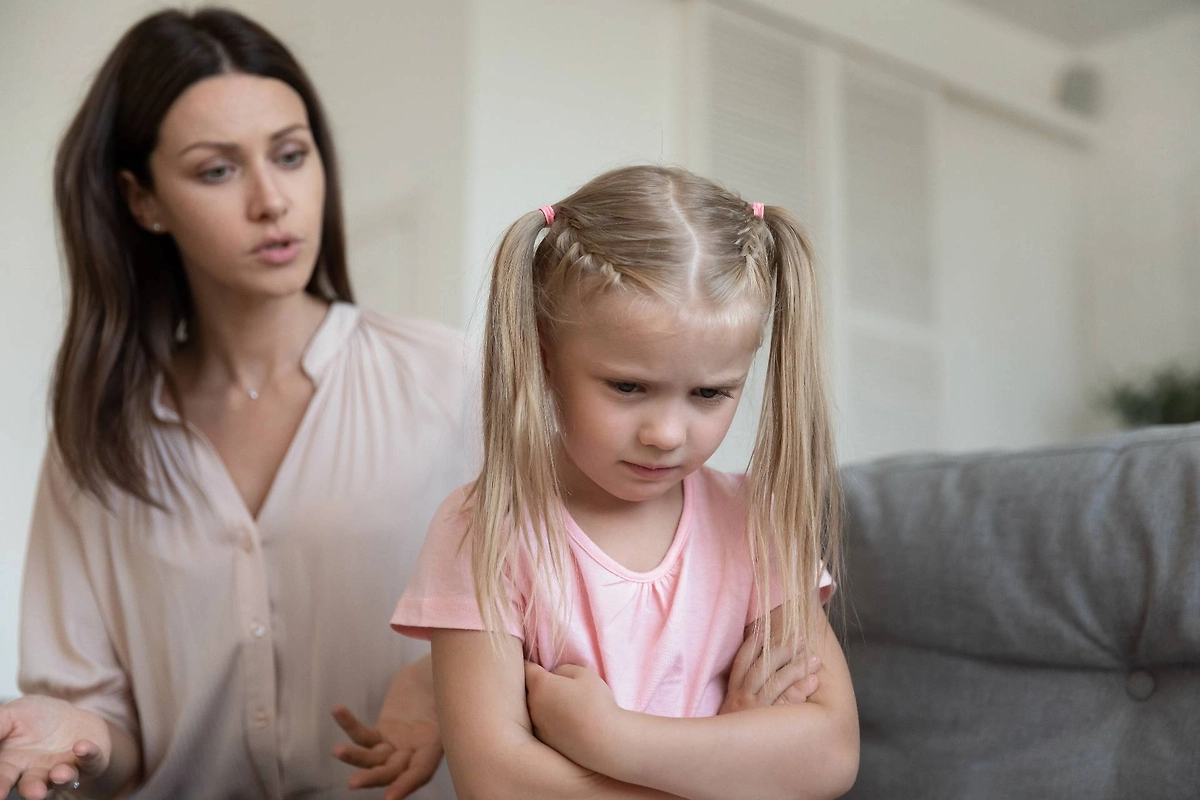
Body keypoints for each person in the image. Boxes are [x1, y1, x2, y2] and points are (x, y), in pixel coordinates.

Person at [0, 8, 473, 800]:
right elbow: (106, 727)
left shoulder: (454, 380)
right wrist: (75, 733)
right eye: (217, 170)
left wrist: (446, 672)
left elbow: (572, 616)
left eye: (291, 156)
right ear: (143, 201)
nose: (272, 201)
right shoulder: (99, 439)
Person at [392, 165, 860, 799]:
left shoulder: (756, 522)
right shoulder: (486, 527)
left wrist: (613, 739)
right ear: (545, 356)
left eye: (710, 393)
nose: (666, 433)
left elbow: (828, 754)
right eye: (628, 387)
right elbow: (498, 784)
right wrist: (734, 764)